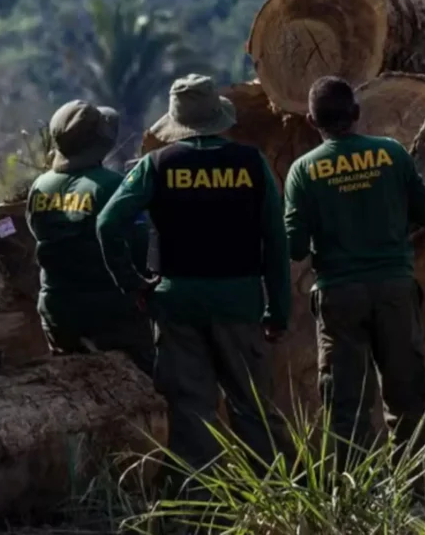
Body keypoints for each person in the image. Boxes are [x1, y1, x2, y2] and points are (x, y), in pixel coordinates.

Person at [96, 74, 292, 495]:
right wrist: (278, 310)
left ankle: (196, 511)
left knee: (190, 410)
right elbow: (276, 241)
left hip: (177, 302)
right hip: (239, 301)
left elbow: (108, 222)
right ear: (218, 118)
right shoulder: (252, 163)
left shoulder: (156, 164)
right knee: (254, 408)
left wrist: (133, 283)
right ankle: (281, 501)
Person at [284, 76, 425, 470]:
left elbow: (295, 246)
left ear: (311, 121)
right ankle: (413, 488)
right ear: (356, 113)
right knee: (406, 394)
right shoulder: (391, 154)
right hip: (394, 288)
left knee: (345, 402)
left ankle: (358, 497)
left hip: (339, 293)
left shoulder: (303, 171)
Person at [25, 100, 154, 376]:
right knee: (147, 382)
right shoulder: (110, 186)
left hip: (56, 310)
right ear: (99, 144)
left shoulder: (40, 186)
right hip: (109, 311)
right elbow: (138, 245)